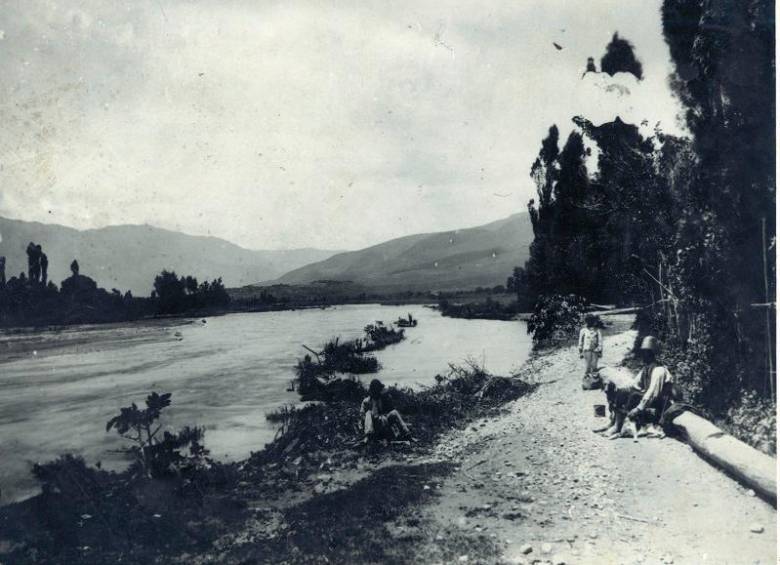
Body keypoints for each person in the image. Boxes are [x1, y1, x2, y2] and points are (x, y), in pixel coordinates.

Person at [598, 335, 675, 439]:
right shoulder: (646, 368)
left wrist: (639, 408)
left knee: (634, 395)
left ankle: (619, 426)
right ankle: (614, 422)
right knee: (622, 392)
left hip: (660, 401)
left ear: (652, 354)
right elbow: (634, 384)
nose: (643, 356)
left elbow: (652, 393)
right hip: (649, 397)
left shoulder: (659, 370)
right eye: (643, 353)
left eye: (646, 353)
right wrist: (617, 391)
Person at [361, 379, 413, 443]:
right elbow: (362, 416)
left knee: (394, 412)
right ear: (372, 390)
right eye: (375, 390)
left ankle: (407, 434)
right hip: (372, 426)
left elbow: (389, 410)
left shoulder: (383, 399)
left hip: (383, 423)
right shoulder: (366, 402)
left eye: (378, 390)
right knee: (368, 413)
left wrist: (383, 417)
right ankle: (368, 436)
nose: (377, 392)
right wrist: (371, 417)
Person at [579, 314, 603, 379]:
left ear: (594, 321)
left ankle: (595, 380)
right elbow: (580, 342)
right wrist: (580, 351)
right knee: (587, 365)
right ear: (586, 321)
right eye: (588, 321)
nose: (590, 323)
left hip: (595, 350)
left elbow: (600, 341)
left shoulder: (597, 331)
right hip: (586, 350)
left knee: (594, 365)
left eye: (591, 321)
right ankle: (587, 380)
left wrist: (600, 350)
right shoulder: (583, 331)